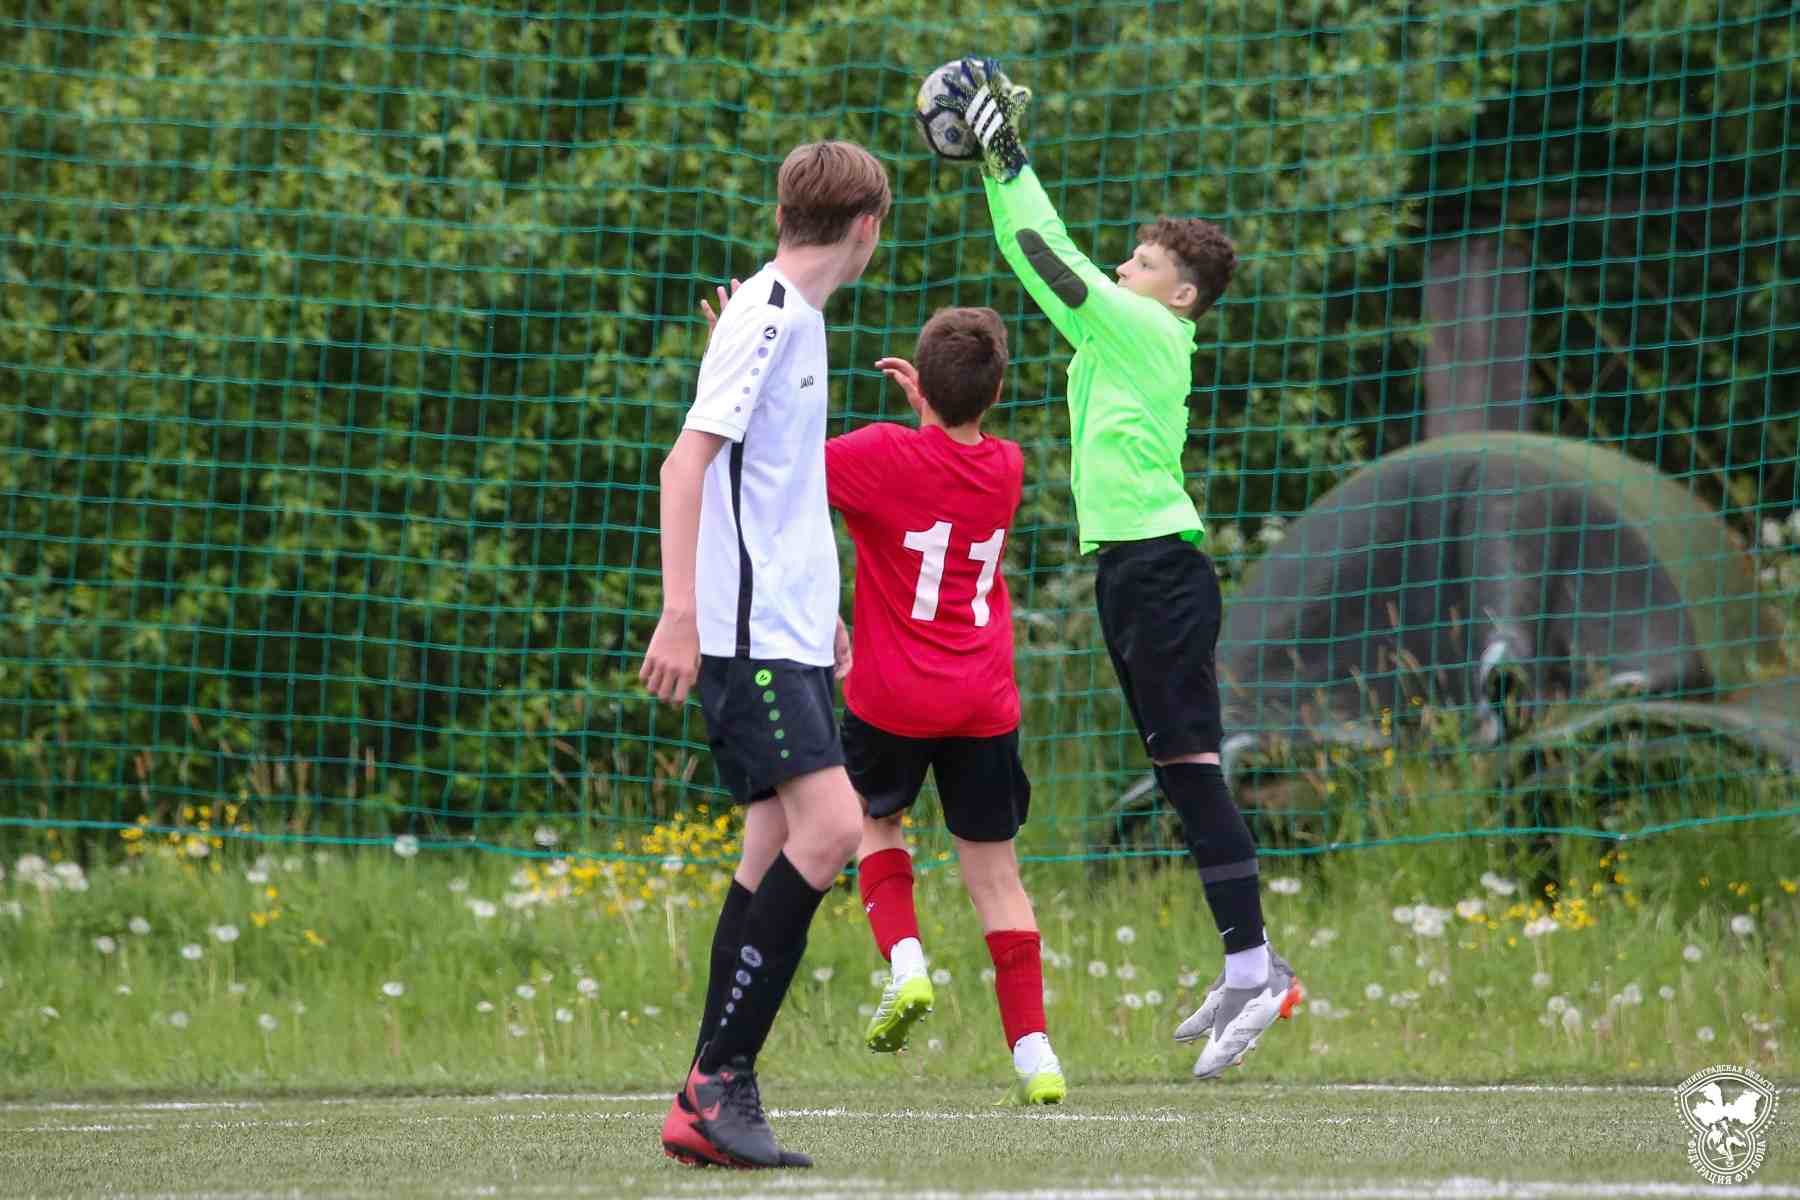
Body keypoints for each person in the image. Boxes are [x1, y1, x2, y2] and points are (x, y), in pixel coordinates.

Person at [930, 58, 1303, 1079]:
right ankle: (1247, 963)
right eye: (1129, 260)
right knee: (1179, 773)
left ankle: (1258, 968)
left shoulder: (1147, 326)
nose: (1123, 270)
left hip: (1160, 572)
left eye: (1140, 262)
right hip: (1132, 573)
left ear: (1180, 294)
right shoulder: (1117, 334)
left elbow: (1047, 255)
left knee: (1193, 769)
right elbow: (1046, 262)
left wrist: (1008, 160)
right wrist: (998, 169)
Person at [696, 294, 1066, 1105]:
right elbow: (949, 454)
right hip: (983, 699)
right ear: (997, 393)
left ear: (918, 386)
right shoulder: (1008, 466)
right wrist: (935, 406)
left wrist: (733, 358)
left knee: (872, 824)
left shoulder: (878, 455)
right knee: (997, 877)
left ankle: (906, 963)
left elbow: (781, 466)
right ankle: (1035, 1054)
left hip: (892, 696)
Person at [640, 139, 889, 1169]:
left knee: (767, 850)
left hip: (785, 630)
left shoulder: (792, 318)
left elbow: (774, 481)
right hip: (746, 639)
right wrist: (680, 615)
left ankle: (706, 1094)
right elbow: (684, 465)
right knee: (832, 829)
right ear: (868, 227)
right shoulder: (771, 314)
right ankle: (719, 1082)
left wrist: (819, 609)